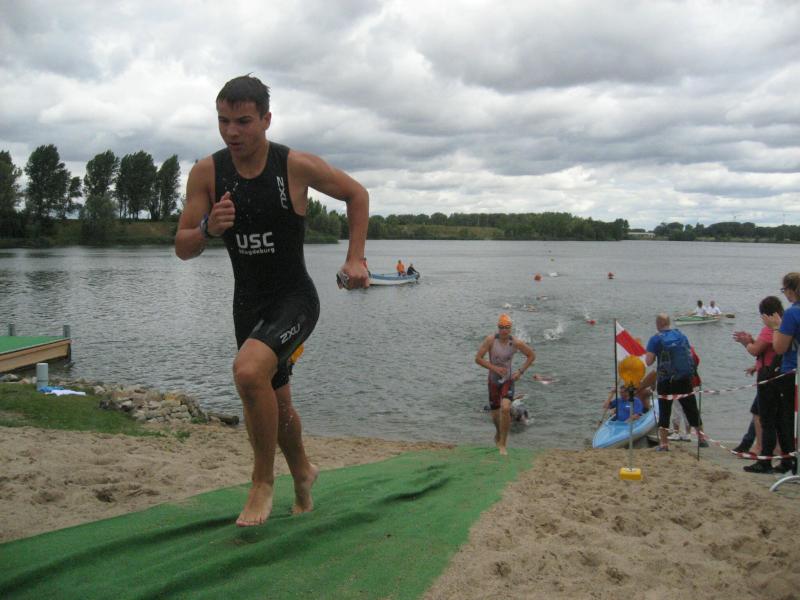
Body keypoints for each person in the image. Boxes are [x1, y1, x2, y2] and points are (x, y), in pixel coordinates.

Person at [175, 74, 369, 527]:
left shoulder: (293, 166)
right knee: (276, 406)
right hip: (248, 306)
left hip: (294, 300)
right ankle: (303, 472)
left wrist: (355, 257)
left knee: (247, 371)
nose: (232, 132)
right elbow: (182, 247)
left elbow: (356, 194)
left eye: (243, 121)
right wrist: (208, 229)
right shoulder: (207, 173)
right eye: (223, 121)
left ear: (266, 119)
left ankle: (262, 481)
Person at [732, 296, 784, 467]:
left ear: (765, 314)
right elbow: (768, 349)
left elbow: (755, 350)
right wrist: (755, 363)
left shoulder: (770, 329)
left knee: (760, 414)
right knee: (766, 413)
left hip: (768, 377)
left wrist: (745, 343)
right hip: (774, 373)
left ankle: (762, 448)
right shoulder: (781, 327)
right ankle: (765, 447)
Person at [645, 313, 707, 451]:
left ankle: (664, 444)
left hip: (665, 380)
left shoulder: (655, 339)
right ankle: (702, 438)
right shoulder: (681, 336)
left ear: (658, 324)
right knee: (691, 408)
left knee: (664, 411)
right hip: (683, 379)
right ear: (668, 323)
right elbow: (690, 355)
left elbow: (648, 361)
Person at [475, 314, 536, 455]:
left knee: (506, 408)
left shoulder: (515, 343)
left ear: (510, 328)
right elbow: (478, 359)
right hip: (493, 381)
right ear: (498, 327)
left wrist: (520, 371)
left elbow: (531, 355)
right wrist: (495, 368)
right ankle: (498, 432)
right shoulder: (490, 340)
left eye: (507, 327)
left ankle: (503, 443)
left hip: (508, 380)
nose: (504, 330)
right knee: (495, 415)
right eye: (501, 327)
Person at [763, 272, 800, 475]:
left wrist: (775, 327)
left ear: (791, 290)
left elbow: (779, 347)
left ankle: (790, 461)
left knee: (786, 418)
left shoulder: (793, 313)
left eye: (784, 290)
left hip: (792, 371)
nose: (784, 293)